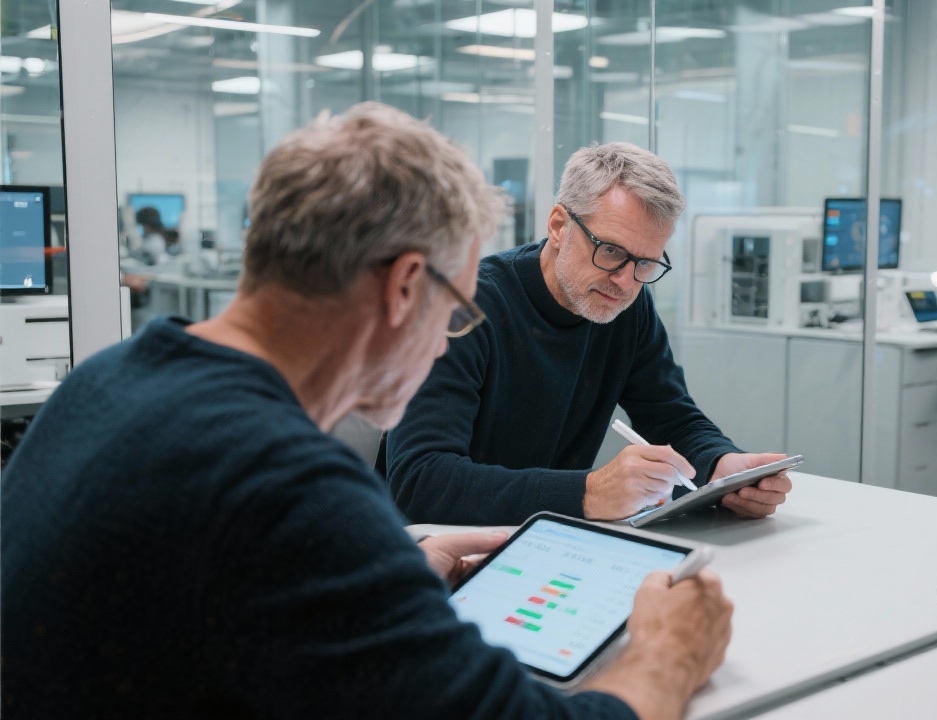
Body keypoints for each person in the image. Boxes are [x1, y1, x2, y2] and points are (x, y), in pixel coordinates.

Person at [1, 103, 732, 719]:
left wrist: (382, 586)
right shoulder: (286, 488)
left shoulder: (104, 383)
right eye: (458, 311)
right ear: (405, 286)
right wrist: (666, 658)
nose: (449, 344)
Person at [385, 142, 794, 525]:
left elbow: (672, 417)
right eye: (612, 251)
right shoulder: (465, 306)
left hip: (546, 538)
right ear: (559, 225)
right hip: (433, 553)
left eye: (646, 264)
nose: (625, 282)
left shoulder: (625, 307)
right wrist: (588, 492)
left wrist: (720, 466)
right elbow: (420, 480)